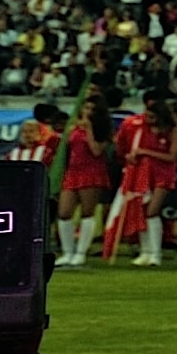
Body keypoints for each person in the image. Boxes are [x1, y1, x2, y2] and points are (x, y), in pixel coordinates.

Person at [110, 91, 177, 267]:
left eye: (151, 117)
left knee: (152, 211)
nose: (147, 120)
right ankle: (145, 251)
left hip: (163, 174)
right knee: (140, 210)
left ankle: (156, 253)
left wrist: (145, 152)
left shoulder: (173, 130)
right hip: (144, 173)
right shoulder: (142, 129)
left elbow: (171, 156)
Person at [56, 100, 115, 266]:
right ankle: (67, 251)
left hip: (92, 171)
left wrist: (89, 129)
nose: (87, 111)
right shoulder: (74, 127)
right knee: (64, 212)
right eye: (86, 107)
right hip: (73, 171)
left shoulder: (103, 129)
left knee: (87, 212)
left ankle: (81, 252)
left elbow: (96, 151)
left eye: (91, 108)